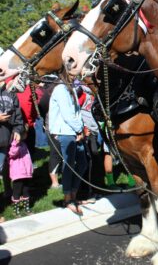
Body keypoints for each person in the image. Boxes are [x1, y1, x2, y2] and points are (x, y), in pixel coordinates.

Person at [48, 70, 87, 215]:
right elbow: (67, 114)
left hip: (74, 131)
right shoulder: (61, 89)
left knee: (82, 163)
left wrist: (80, 129)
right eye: (72, 73)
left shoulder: (70, 89)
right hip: (65, 131)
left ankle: (73, 194)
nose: (75, 76)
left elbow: (77, 112)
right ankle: (67, 198)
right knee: (69, 165)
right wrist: (79, 130)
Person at [0, 78, 24, 200]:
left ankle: (8, 192)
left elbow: (18, 117)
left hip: (5, 140)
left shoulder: (10, 92)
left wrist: (17, 130)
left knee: (5, 168)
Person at [8, 137, 33, 215]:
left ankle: (26, 208)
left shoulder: (24, 144)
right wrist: (15, 143)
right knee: (17, 192)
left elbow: (28, 158)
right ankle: (16, 210)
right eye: (23, 133)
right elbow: (12, 153)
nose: (25, 135)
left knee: (26, 191)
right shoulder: (13, 145)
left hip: (26, 174)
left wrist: (30, 169)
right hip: (18, 174)